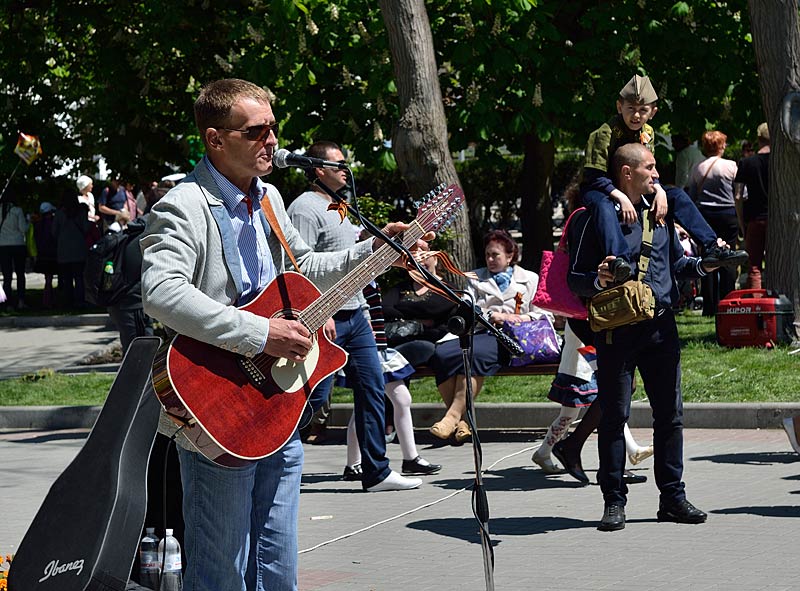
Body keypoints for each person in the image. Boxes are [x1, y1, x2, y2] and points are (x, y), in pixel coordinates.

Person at [141, 79, 429, 591]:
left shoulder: (270, 197)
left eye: (273, 128)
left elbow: (307, 266)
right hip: (218, 407)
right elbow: (161, 293)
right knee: (220, 571)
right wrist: (260, 333)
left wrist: (379, 249)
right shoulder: (183, 204)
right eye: (256, 131)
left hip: (279, 400)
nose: (272, 140)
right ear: (214, 139)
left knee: (277, 566)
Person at [568, 142, 720, 532]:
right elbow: (575, 279)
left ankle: (672, 497)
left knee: (670, 416)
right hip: (617, 331)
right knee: (615, 416)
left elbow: (676, 266)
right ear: (627, 173)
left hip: (661, 326)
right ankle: (614, 501)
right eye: (649, 168)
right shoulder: (595, 217)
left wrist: (704, 266)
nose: (656, 175)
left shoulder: (661, 212)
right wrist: (598, 279)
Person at [286, 139, 422, 492]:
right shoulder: (304, 208)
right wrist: (317, 309)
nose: (346, 170)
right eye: (338, 164)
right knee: (314, 398)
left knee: (372, 387)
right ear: (318, 170)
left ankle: (376, 471)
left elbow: (348, 252)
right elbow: (298, 266)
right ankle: (270, 454)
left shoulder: (341, 205)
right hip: (323, 317)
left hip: (355, 312)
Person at [580, 74, 746, 279]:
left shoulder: (648, 132)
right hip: (601, 188)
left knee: (675, 194)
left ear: (653, 112)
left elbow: (650, 170)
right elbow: (594, 176)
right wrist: (621, 197)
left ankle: (712, 246)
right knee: (603, 205)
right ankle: (619, 260)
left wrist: (658, 190)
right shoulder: (605, 133)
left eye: (643, 110)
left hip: (635, 188)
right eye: (630, 108)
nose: (636, 115)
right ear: (619, 106)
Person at [429, 229, 553, 444]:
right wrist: (488, 316)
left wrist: (510, 318)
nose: (490, 259)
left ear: (510, 256)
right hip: (480, 330)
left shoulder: (530, 278)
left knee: (474, 355)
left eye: (495, 254)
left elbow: (544, 314)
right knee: (442, 353)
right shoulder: (475, 278)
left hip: (513, 338)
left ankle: (451, 417)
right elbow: (468, 308)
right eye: (487, 254)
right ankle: (464, 421)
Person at [341, 281, 441, 479]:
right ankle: (354, 463)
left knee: (400, 399)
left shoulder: (371, 278)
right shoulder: (356, 277)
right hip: (365, 349)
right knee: (365, 406)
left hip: (377, 347)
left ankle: (409, 458)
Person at [108, 186, 166, 354]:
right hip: (133, 303)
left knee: (138, 353)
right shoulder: (152, 229)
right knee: (139, 356)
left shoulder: (140, 227)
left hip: (126, 301)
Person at [688, 130, 740, 315]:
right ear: (720, 145)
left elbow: (692, 196)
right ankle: (729, 300)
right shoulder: (731, 166)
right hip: (728, 214)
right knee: (729, 256)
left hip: (705, 215)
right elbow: (738, 193)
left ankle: (709, 306)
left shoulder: (698, 168)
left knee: (708, 257)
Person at [734, 122, 770, 289]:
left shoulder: (747, 163)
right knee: (777, 265)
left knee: (754, 266)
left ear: (758, 138)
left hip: (754, 218)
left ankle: (757, 308)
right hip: (778, 220)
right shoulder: (782, 161)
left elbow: (738, 195)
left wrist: (741, 222)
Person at [53, 190, 92, 308]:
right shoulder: (81, 212)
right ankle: (80, 301)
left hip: (64, 250)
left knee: (67, 278)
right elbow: (86, 228)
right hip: (79, 249)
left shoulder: (59, 213)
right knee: (79, 277)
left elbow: (54, 231)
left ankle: (68, 301)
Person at [0, 190, 30, 310]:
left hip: (3, 245)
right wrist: (28, 222)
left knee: (7, 276)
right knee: (20, 274)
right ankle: (21, 301)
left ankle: (7, 303)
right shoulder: (17, 210)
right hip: (17, 244)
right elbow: (23, 229)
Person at [32, 201, 59, 308]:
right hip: (52, 253)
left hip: (43, 253)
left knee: (48, 279)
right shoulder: (52, 223)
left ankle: (47, 300)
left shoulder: (38, 224)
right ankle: (49, 301)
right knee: (51, 279)